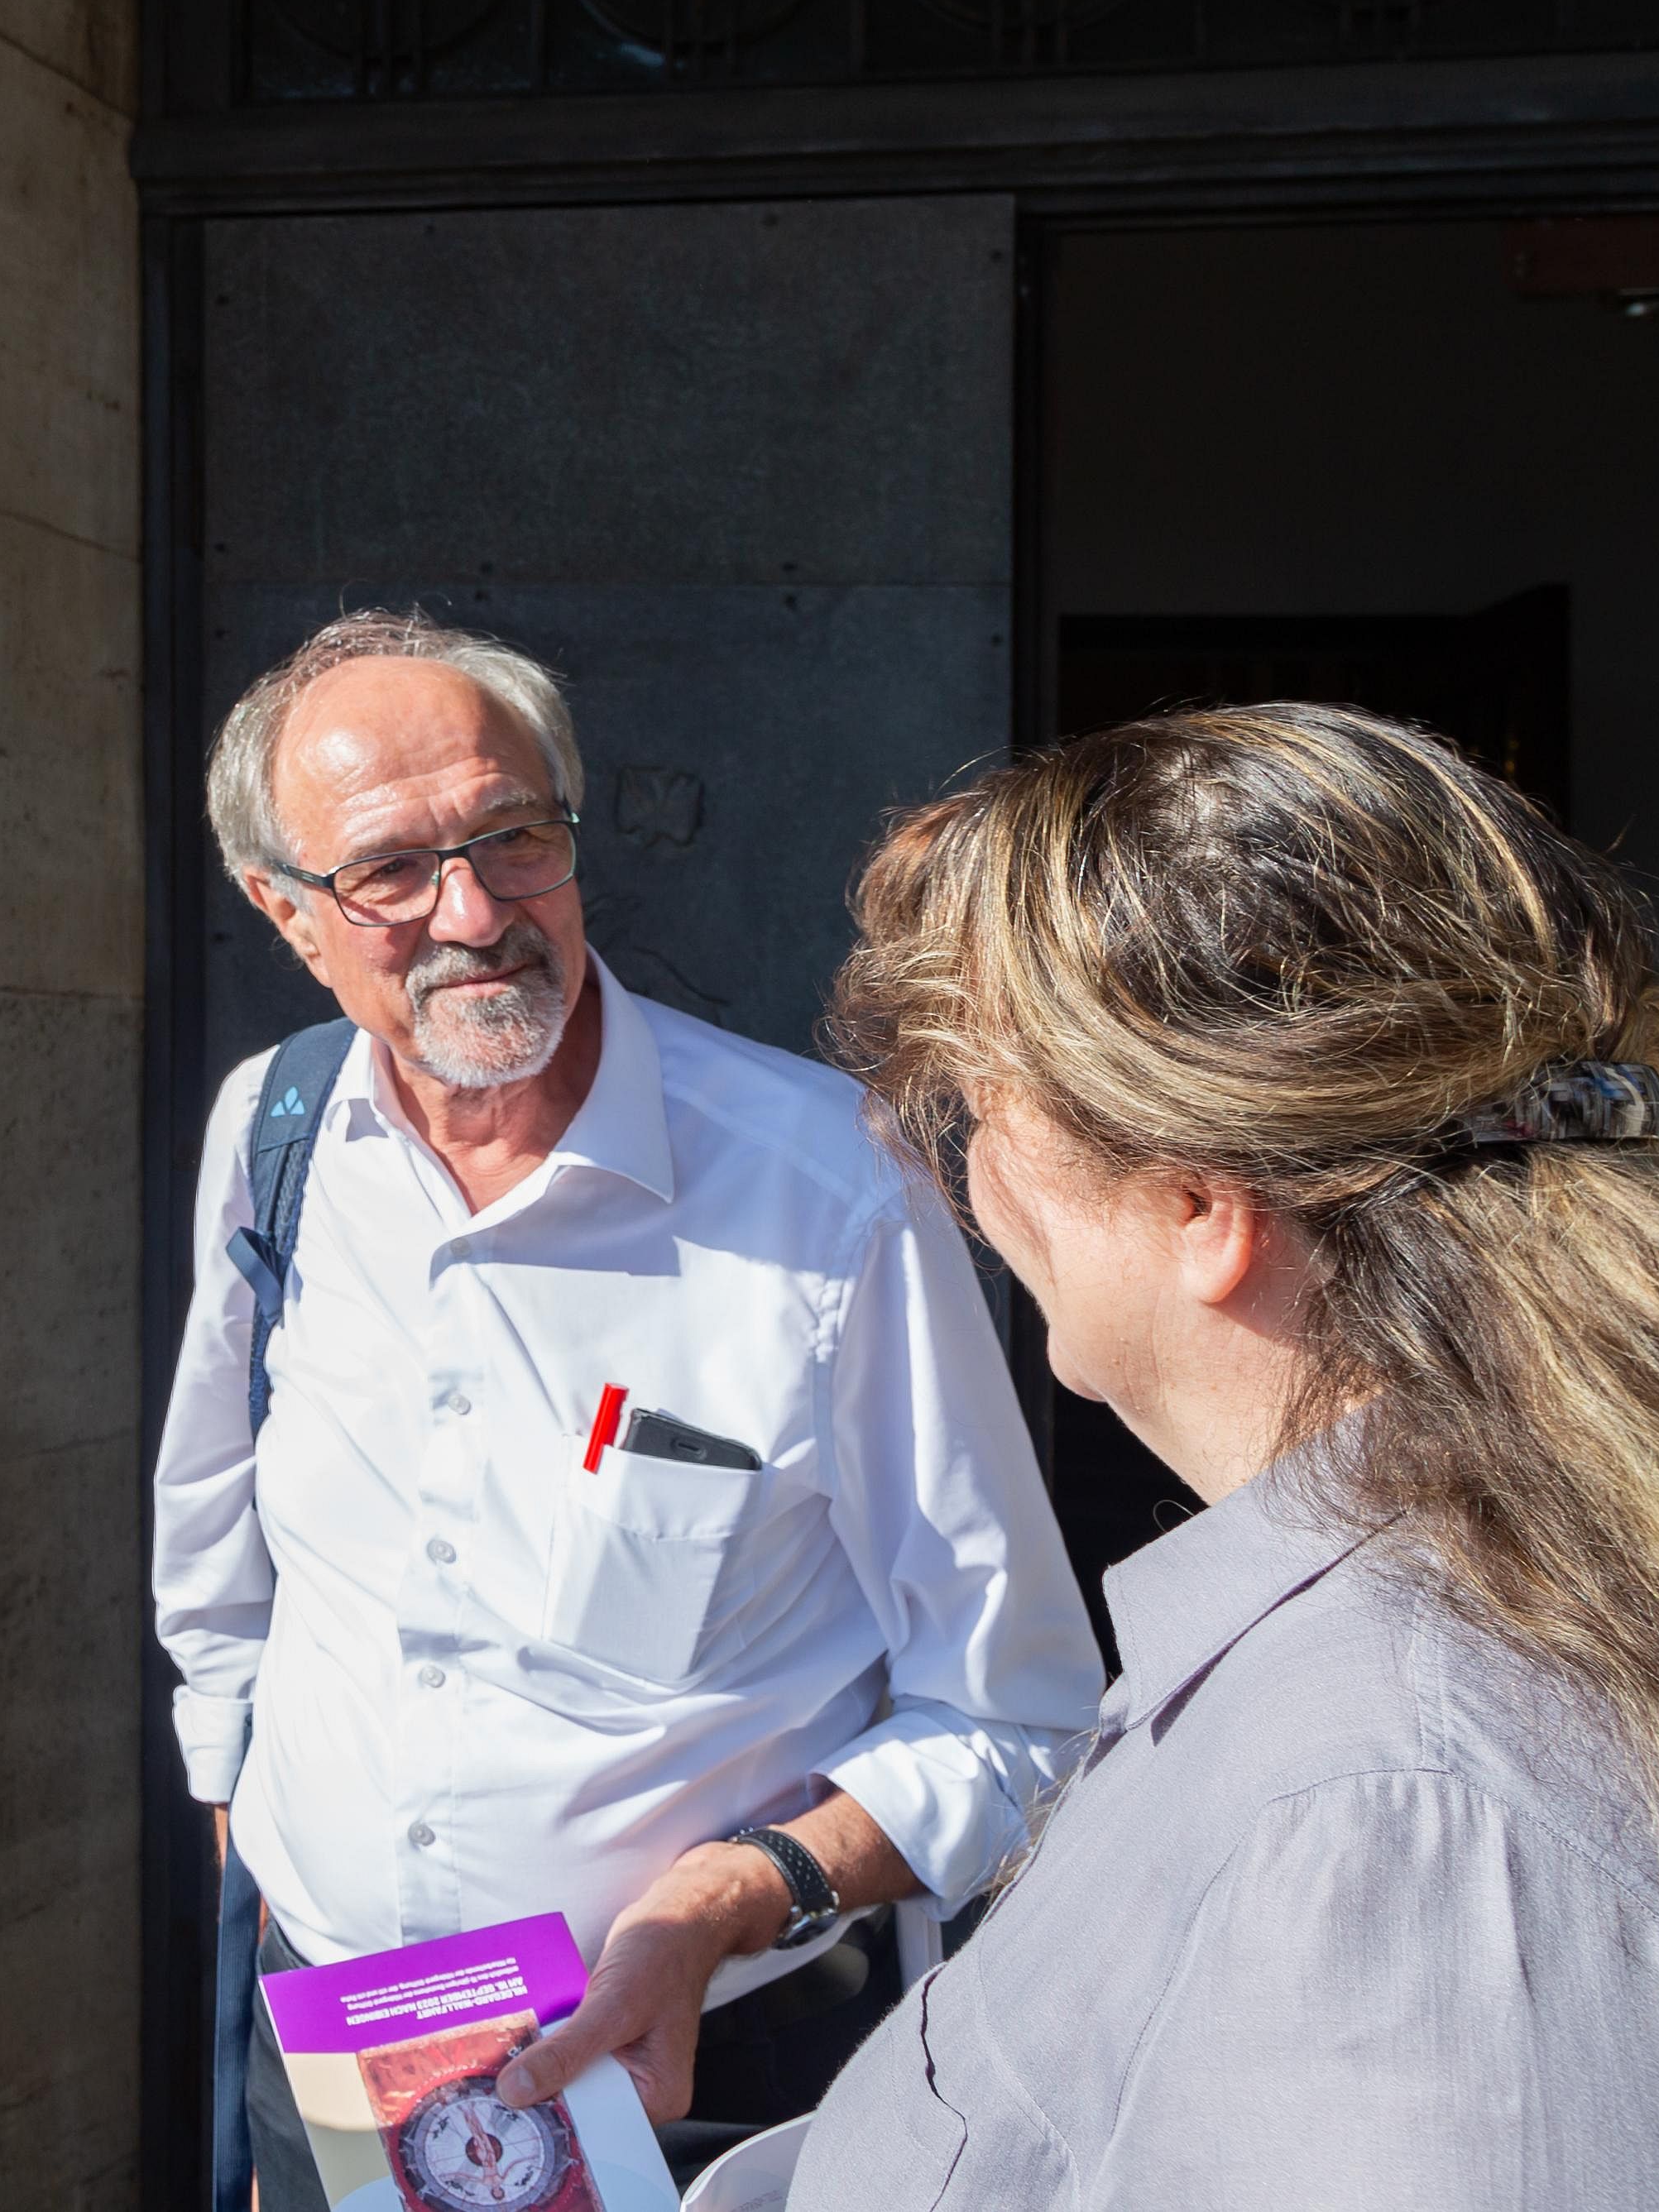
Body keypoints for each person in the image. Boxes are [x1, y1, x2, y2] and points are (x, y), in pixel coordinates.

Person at [790, 703, 1659, 2212]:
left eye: (978, 1111)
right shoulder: (1570, 1576)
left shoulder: (1402, 1825)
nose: (965, 1174)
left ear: (1201, 1206)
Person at [155, 611, 1101, 2203]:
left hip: (704, 2081)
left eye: (513, 836)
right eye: (392, 870)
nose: (474, 913)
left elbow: (1017, 1715)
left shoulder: (831, 1198)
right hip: (333, 2052)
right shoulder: (277, 1131)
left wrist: (740, 1892)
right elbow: (216, 1542)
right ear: (286, 913)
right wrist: (258, 1858)